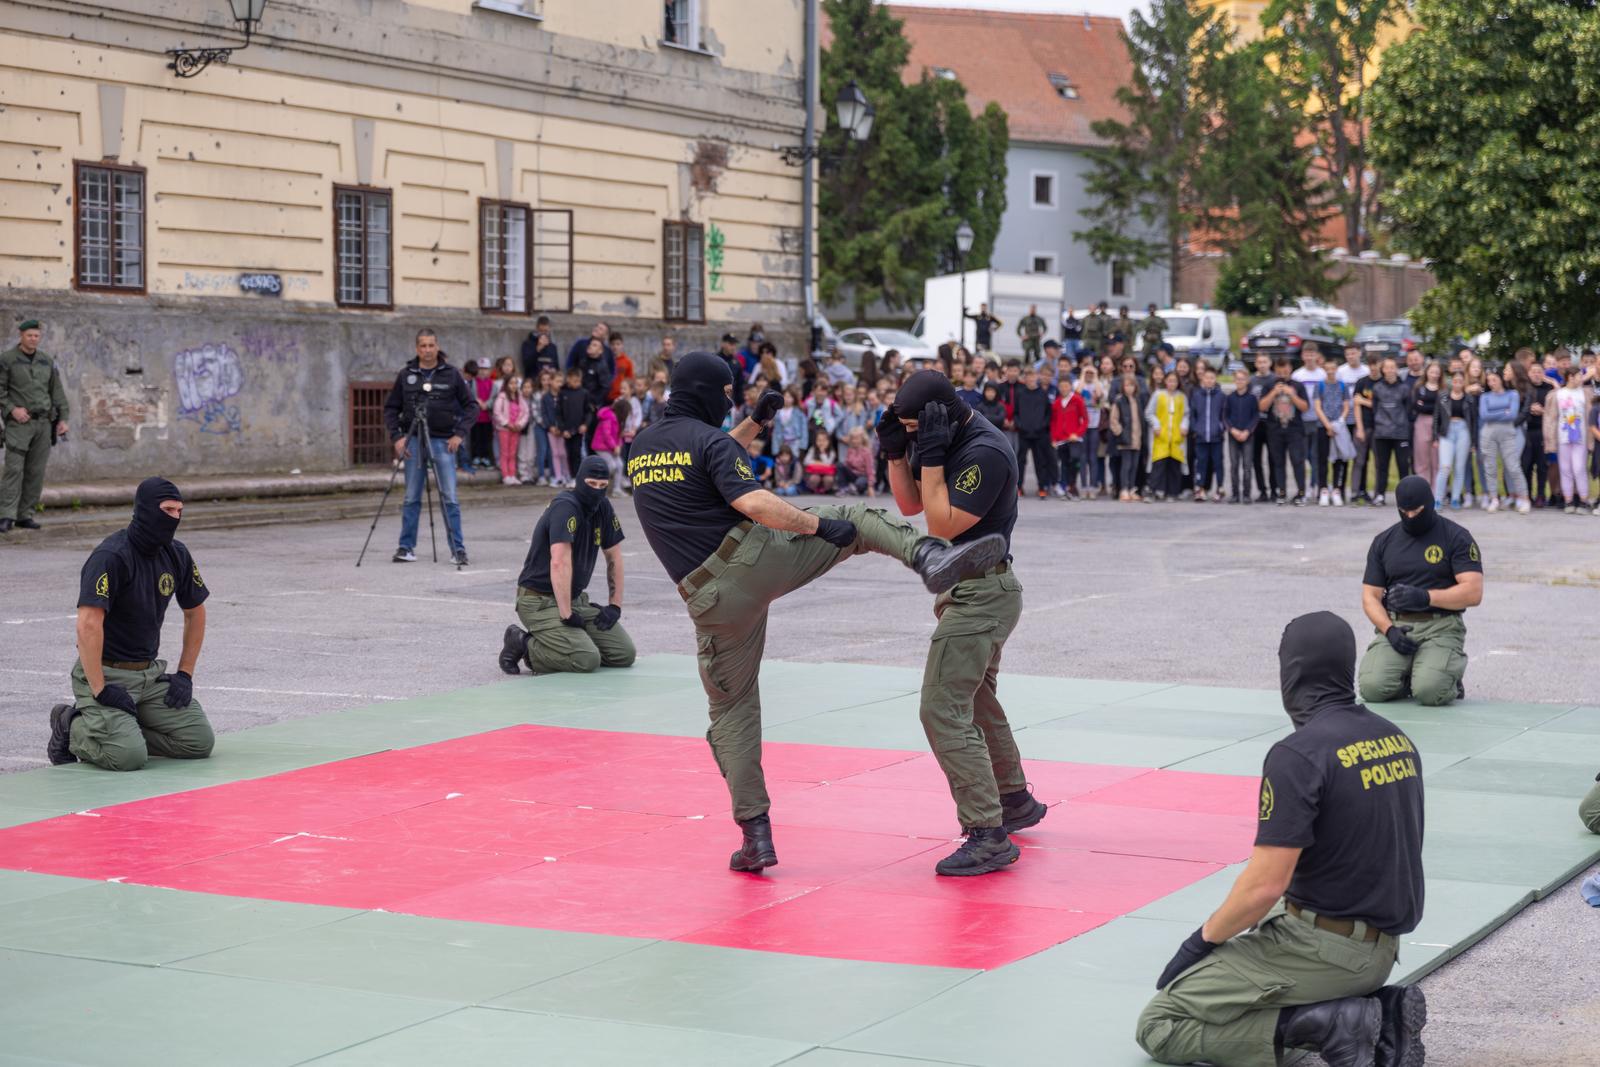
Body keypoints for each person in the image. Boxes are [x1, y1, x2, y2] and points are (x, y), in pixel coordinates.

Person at [628, 353, 1004, 872]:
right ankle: (929, 556)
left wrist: (755, 423)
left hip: (707, 598)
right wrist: (813, 525)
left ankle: (755, 835)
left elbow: (703, 457)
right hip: (753, 557)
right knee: (852, 516)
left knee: (731, 713)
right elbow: (756, 502)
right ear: (712, 393)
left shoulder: (643, 446)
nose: (730, 403)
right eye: (729, 395)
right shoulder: (709, 441)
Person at [1136, 611, 1426, 1067]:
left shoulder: (1300, 754)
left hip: (1331, 950)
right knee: (1260, 921)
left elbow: (1265, 884)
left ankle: (1333, 1025)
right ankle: (1374, 1019)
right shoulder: (1395, 738)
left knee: (1162, 1024)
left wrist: (1200, 942)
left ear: (1291, 672)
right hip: (1382, 945)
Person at [882, 370, 1041, 876]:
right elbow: (910, 503)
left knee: (941, 709)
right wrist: (894, 454)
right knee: (975, 697)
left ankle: (987, 833)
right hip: (969, 587)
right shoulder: (942, 434)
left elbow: (940, 523)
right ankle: (1013, 799)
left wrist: (928, 457)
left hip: (982, 594)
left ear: (938, 417)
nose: (911, 435)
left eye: (913, 427)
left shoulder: (984, 450)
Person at [47, 477, 215, 771]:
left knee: (198, 741)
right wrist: (100, 687)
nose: (175, 517)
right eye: (168, 510)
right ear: (147, 509)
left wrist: (185, 674)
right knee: (128, 757)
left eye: (179, 511)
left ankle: (124, 730)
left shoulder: (177, 554)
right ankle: (71, 724)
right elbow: (88, 624)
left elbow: (195, 611)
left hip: (148, 675)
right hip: (106, 672)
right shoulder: (112, 556)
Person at [499, 456, 634, 676]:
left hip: (574, 598)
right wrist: (566, 614)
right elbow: (559, 562)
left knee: (623, 654)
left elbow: (614, 556)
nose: (597, 491)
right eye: (591, 484)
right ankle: (523, 643)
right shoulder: (566, 507)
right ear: (579, 481)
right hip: (538, 601)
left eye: (603, 486)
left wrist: (615, 606)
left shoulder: (603, 507)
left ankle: (569, 643)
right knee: (586, 659)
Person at [1358, 475, 1483, 707]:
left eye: (1417, 511)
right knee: (1371, 688)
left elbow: (1474, 592)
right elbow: (1370, 597)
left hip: (1441, 625)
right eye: (1404, 512)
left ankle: (1449, 680)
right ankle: (1409, 676)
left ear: (1431, 502)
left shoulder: (1456, 537)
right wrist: (1389, 630)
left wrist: (1426, 597)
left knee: (1430, 691)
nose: (1411, 517)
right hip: (1398, 626)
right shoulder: (1384, 541)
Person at [383, 329, 476, 565]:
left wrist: (459, 435)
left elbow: (471, 406)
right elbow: (391, 409)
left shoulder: (451, 374)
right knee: (411, 496)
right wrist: (397, 437)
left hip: (443, 441)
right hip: (413, 440)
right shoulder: (406, 375)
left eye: (431, 345)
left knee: (449, 497)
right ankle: (406, 548)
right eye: (422, 346)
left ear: (437, 347)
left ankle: (458, 550)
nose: (427, 350)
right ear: (417, 348)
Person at [0, 319, 70, 533]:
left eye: (36, 336)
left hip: (43, 423)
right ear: (21, 335)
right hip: (19, 423)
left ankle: (25, 515)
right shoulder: (7, 359)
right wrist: (12, 409)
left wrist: (63, 419)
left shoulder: (46, 361)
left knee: (35, 471)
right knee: (14, 469)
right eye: (29, 335)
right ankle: (6, 515)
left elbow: (56, 392)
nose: (33, 339)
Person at [1478, 369, 1530, 513]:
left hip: (1507, 433)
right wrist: (1503, 412)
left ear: (1501, 379)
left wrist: (1494, 414)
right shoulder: (1485, 396)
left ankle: (1524, 498)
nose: (1491, 383)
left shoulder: (1512, 394)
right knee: (1490, 467)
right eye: (1489, 381)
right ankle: (1494, 498)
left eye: (1494, 379)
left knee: (1513, 466)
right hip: (1488, 433)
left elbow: (1512, 414)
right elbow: (1484, 415)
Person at [1261, 357, 1309, 505]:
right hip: (1275, 429)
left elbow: (1305, 407)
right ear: (1275, 371)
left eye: (1285, 370)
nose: (1283, 374)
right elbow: (1262, 407)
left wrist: (1292, 394)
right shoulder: (1269, 385)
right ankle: (1281, 492)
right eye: (1280, 371)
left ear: (1290, 369)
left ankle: (1301, 493)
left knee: (1297, 461)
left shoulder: (1298, 386)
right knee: (1278, 462)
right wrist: (1273, 393)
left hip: (1294, 429)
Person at [1369, 359, 1413, 505]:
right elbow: (1375, 409)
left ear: (1396, 369)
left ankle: (1405, 497)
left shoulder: (1404, 388)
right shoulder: (1377, 387)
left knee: (1403, 465)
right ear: (1383, 370)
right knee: (1382, 465)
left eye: (1392, 367)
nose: (1389, 370)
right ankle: (1380, 495)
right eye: (1387, 367)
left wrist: (1399, 423)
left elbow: (1408, 410)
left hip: (1400, 433)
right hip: (1382, 433)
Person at [1432, 371, 1476, 509]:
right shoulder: (1443, 396)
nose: (1457, 383)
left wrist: (1473, 442)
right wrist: (1435, 436)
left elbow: (1473, 421)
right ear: (1452, 382)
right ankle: (1438, 499)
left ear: (1464, 383)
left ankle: (1456, 499)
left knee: (1459, 467)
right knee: (1445, 467)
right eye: (1455, 381)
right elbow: (1436, 417)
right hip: (1447, 432)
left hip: (1463, 431)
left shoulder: (1469, 399)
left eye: (1460, 381)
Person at [1553, 366, 1592, 512]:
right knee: (1565, 469)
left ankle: (1583, 499)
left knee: (1579, 468)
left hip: (1580, 437)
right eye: (1578, 376)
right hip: (1563, 437)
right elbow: (1552, 417)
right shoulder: (1559, 394)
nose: (1581, 379)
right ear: (1570, 377)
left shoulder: (1584, 394)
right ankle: (1568, 500)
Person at [1012, 367, 1055, 499]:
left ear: (1037, 378)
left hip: (1039, 434)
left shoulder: (1042, 393)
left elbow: (1048, 413)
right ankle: (1018, 487)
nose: (1031, 379)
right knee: (1020, 461)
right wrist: (1020, 426)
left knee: (1040, 462)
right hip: (1024, 433)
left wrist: (1042, 426)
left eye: (1033, 377)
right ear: (1025, 379)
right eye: (1028, 377)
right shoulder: (1020, 393)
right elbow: (1016, 413)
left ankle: (1042, 488)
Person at [1315, 362, 1353, 507]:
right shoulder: (1320, 386)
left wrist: (1339, 423)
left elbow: (1346, 406)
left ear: (1337, 369)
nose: (1330, 371)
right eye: (1328, 369)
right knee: (1322, 459)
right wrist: (1327, 425)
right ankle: (1323, 489)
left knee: (1340, 458)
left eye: (1333, 369)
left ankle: (1337, 490)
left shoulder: (1343, 386)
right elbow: (1318, 407)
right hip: (1323, 426)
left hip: (1339, 427)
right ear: (1324, 370)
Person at [1147, 371, 1189, 502]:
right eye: (1170, 381)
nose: (1172, 384)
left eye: (1174, 381)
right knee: (1158, 465)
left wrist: (1184, 425)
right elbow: (1149, 412)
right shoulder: (1158, 395)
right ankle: (1153, 491)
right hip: (1161, 437)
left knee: (1174, 465)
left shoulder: (1182, 397)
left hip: (1176, 438)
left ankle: (1172, 492)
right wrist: (1156, 425)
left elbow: (1186, 414)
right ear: (1165, 381)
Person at [1223, 368, 1259, 504]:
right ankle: (1235, 494)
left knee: (1247, 466)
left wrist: (1247, 431)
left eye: (1242, 379)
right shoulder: (1230, 397)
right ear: (1234, 380)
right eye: (1237, 379)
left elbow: (1255, 416)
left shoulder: (1252, 398)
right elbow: (1225, 416)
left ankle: (1246, 494)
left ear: (1247, 381)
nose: (1240, 381)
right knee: (1234, 465)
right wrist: (1232, 430)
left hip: (1247, 436)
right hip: (1233, 435)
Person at [1189, 366, 1225, 502]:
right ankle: (1200, 488)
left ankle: (1220, 488)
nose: (1209, 380)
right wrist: (1195, 429)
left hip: (1216, 437)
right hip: (1201, 436)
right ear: (1202, 379)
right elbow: (1193, 415)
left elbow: (1224, 415)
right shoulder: (1197, 395)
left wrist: (1221, 428)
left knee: (1218, 463)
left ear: (1215, 380)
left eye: (1212, 378)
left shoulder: (1221, 396)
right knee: (1201, 463)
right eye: (1206, 378)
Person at [1050, 375, 1088, 500]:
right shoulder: (1056, 403)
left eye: (1066, 386)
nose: (1064, 389)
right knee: (1064, 463)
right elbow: (1054, 422)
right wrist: (1054, 439)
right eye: (1061, 386)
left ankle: (1072, 485)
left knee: (1075, 460)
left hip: (1074, 438)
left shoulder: (1077, 400)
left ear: (1070, 386)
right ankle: (1066, 488)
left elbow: (1085, 420)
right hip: (1061, 440)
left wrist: (1077, 434)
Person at [1109, 373, 1144, 502]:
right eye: (1127, 385)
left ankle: (1131, 489)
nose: (1129, 388)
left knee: (1135, 465)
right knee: (1126, 465)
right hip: (1125, 439)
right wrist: (1120, 433)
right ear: (1122, 387)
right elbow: (1113, 420)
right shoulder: (1119, 400)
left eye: (1132, 385)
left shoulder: (1137, 400)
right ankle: (1123, 489)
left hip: (1137, 438)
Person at [492, 374, 530, 486]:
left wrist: (519, 424)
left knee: (513, 453)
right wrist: (507, 424)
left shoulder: (519, 397)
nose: (513, 386)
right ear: (506, 384)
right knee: (505, 453)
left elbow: (525, 412)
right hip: (505, 429)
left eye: (515, 383)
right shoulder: (502, 396)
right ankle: (506, 476)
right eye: (511, 383)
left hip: (516, 429)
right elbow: (497, 412)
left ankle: (513, 475)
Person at [521, 316, 562, 380]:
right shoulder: (528, 344)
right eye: (541, 331)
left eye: (545, 331)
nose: (543, 334)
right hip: (534, 381)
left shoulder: (552, 347)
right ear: (537, 329)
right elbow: (527, 365)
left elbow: (556, 366)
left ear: (549, 330)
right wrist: (538, 349)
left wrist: (553, 370)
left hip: (549, 381)